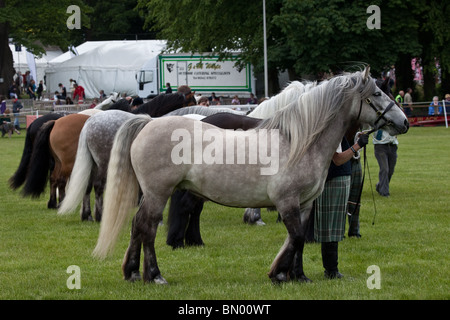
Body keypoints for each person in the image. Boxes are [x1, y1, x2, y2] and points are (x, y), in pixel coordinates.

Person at [314, 133, 369, 279]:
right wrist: (358, 145)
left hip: (337, 177)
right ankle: (331, 271)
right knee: (331, 228)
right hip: (334, 178)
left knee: (333, 228)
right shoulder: (333, 131)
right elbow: (338, 159)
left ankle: (331, 269)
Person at [373, 129, 398, 197]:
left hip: (392, 145)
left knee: (390, 171)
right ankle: (384, 193)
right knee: (384, 169)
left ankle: (380, 185)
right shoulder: (377, 120)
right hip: (380, 146)